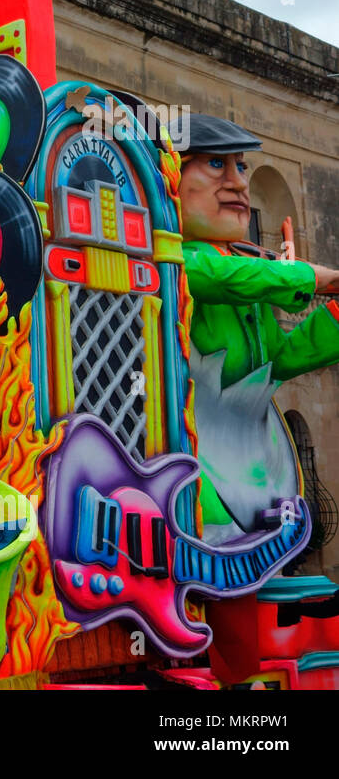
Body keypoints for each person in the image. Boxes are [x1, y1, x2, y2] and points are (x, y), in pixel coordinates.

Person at [170, 113, 339, 543]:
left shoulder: (246, 266)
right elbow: (219, 275)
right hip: (189, 476)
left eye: (241, 166)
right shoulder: (172, 257)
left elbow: (276, 361)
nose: (238, 182)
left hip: (256, 481)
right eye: (215, 164)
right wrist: (309, 278)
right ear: (170, 174)